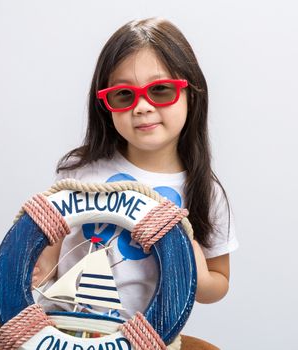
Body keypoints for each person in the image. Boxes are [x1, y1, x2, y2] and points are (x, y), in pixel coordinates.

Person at [32, 17, 239, 319]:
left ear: (191, 95)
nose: (142, 106)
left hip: (145, 336)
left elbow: (220, 282)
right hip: (65, 328)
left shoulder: (204, 191)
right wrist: (34, 278)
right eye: (124, 95)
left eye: (161, 90)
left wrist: (200, 277)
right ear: (105, 104)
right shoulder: (81, 172)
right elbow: (50, 252)